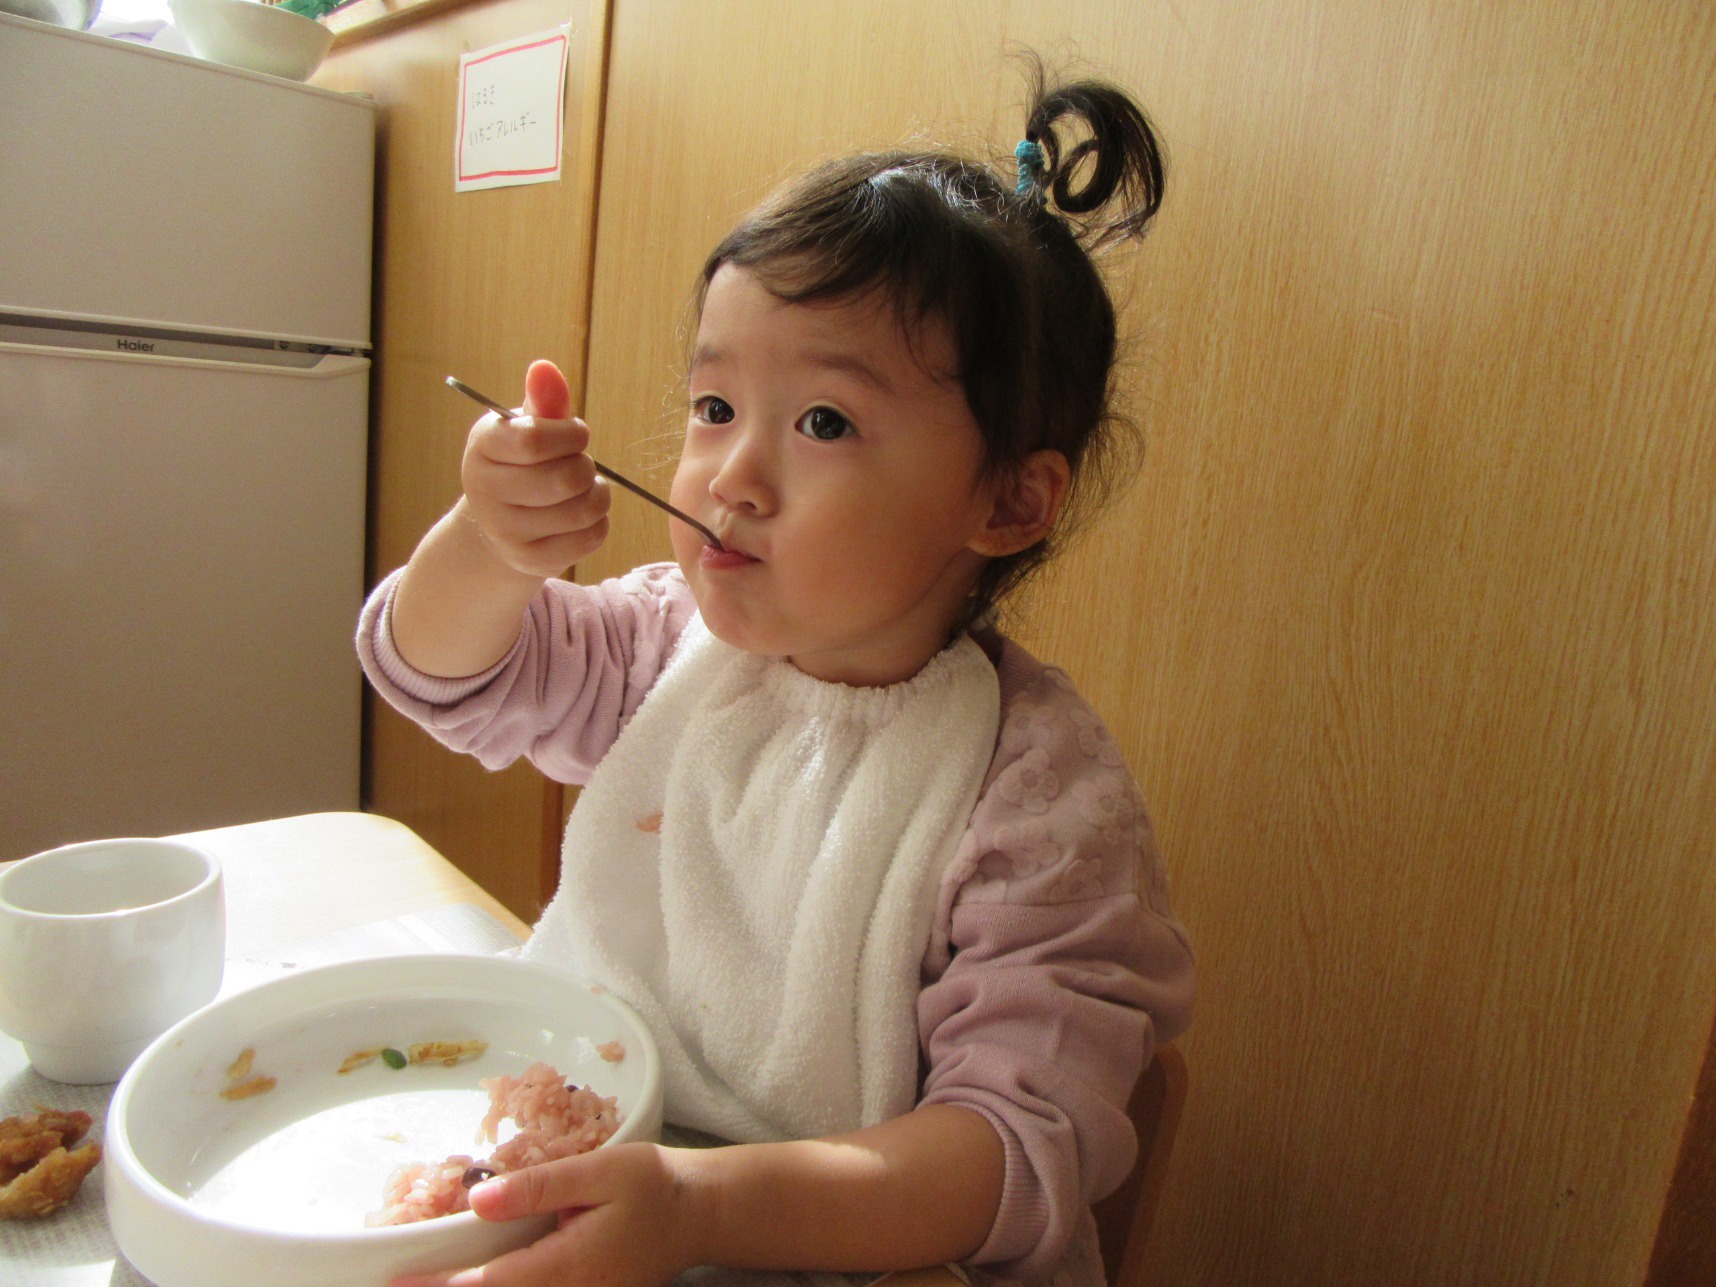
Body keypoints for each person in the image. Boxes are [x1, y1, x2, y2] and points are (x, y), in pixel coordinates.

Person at [365, 62, 1195, 1287]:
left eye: (822, 423)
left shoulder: (1037, 801)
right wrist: (486, 548)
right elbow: (445, 674)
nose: (730, 476)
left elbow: (1012, 1155)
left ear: (1012, 501)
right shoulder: (665, 646)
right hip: (590, 1190)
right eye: (713, 405)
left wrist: (692, 1209)